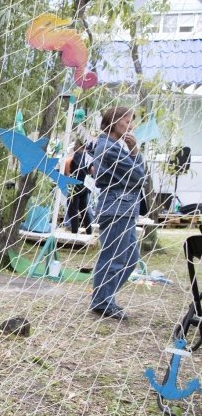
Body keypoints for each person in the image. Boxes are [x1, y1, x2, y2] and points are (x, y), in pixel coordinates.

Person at [90, 107, 146, 320]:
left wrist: (132, 153)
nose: (131, 127)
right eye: (127, 121)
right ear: (114, 122)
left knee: (130, 259)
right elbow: (139, 176)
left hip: (124, 207)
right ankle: (102, 302)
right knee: (114, 257)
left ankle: (105, 297)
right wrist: (135, 153)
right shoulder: (109, 147)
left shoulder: (114, 146)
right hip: (116, 208)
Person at [64, 139, 93, 235]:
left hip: (75, 187)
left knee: (73, 210)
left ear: (79, 146)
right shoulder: (89, 158)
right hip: (85, 186)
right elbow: (92, 171)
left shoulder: (74, 157)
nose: (74, 146)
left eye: (76, 144)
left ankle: (74, 232)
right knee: (84, 210)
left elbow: (68, 173)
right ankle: (89, 231)